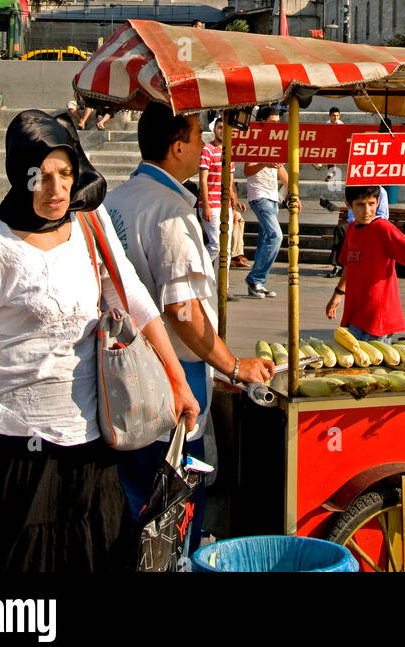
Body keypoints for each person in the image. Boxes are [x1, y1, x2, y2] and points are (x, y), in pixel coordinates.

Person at [0, 109, 200, 571]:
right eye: (41, 176)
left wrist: (177, 379)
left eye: (65, 174)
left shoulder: (90, 223)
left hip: (87, 453)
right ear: (20, 176)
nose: (56, 189)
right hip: (10, 455)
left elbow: (134, 299)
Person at [105, 102, 274, 547]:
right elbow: (182, 311)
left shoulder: (115, 201)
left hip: (121, 384)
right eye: (198, 136)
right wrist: (233, 365)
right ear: (177, 147)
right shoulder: (170, 213)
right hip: (171, 388)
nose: (204, 145)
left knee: (132, 511)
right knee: (171, 524)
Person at [325, 184, 405, 342]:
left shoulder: (383, 228)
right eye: (360, 205)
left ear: (378, 202)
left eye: (371, 204)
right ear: (349, 205)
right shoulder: (352, 229)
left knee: (374, 356)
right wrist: (337, 294)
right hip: (355, 314)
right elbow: (349, 265)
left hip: (378, 317)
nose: (367, 211)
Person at [243, 105, 289, 298]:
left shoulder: (276, 141)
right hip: (259, 194)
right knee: (275, 236)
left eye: (278, 122)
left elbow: (280, 169)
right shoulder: (254, 139)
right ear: (261, 122)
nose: (276, 126)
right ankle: (255, 278)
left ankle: (258, 283)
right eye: (272, 122)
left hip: (273, 196)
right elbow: (247, 170)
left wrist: (293, 191)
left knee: (264, 240)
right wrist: (263, 163)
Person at [198, 116, 236, 263]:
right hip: (211, 204)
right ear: (214, 130)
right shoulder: (207, 150)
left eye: (225, 128)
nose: (222, 131)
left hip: (225, 205)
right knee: (216, 246)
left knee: (226, 248)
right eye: (220, 128)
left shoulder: (229, 151)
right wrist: (206, 206)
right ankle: (198, 268)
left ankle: (219, 279)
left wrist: (233, 207)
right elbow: (203, 179)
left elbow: (231, 183)